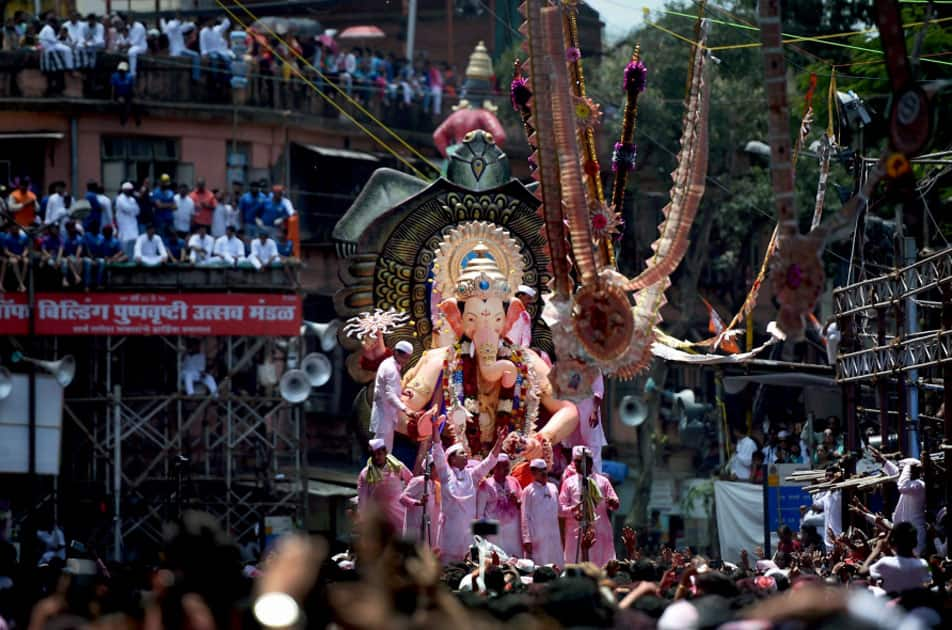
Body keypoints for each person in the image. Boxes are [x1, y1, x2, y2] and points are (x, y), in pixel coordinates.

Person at [431, 424, 504, 563]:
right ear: (452, 459)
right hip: (449, 532)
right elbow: (437, 451)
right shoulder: (446, 474)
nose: (466, 455)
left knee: (468, 563)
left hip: (467, 533)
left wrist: (499, 441)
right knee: (448, 569)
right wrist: (435, 428)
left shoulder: (472, 476)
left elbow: (490, 461)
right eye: (462, 453)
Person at [559, 446, 619, 568]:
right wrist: (573, 511)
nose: (576, 464)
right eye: (575, 461)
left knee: (602, 568)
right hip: (577, 533)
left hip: (600, 532)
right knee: (576, 568)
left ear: (590, 463)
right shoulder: (569, 482)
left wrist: (612, 502)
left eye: (580, 461)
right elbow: (560, 509)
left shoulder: (603, 481)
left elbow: (615, 503)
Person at [876, 450, 927, 555]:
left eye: (906, 471)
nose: (904, 473)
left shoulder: (919, 485)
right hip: (907, 532)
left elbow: (901, 486)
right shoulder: (910, 484)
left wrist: (907, 466)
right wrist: (884, 461)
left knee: (916, 561)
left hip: (916, 531)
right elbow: (897, 475)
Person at [370, 340, 417, 453]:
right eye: (405, 358)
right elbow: (390, 395)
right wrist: (406, 409)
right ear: (396, 353)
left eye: (408, 358)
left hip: (387, 414)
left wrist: (403, 392)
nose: (406, 361)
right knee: (380, 451)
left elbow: (391, 387)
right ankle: (373, 471)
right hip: (384, 415)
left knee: (385, 450)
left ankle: (380, 470)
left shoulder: (391, 364)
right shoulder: (390, 368)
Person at [358, 438, 413, 534]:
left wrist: (409, 500)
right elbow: (362, 498)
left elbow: (411, 481)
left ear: (385, 453)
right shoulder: (366, 473)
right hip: (377, 514)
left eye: (379, 454)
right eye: (373, 454)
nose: (376, 457)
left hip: (398, 512)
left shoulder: (398, 467)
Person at [862, 522, 931, 594]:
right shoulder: (924, 564)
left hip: (892, 603)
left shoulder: (885, 563)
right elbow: (929, 577)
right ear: (915, 542)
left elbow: (862, 571)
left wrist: (877, 549)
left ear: (893, 542)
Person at [476, 453, 522, 557]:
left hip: (513, 531)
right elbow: (480, 514)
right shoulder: (485, 485)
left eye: (507, 465)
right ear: (494, 467)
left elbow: (522, 505)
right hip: (495, 533)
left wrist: (517, 501)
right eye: (503, 465)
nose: (506, 468)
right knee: (499, 559)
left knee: (516, 559)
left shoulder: (514, 481)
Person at [521, 458, 562, 567]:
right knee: (539, 566)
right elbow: (525, 516)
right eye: (540, 470)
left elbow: (560, 510)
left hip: (553, 535)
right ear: (533, 472)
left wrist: (574, 509)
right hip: (537, 536)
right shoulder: (528, 491)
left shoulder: (553, 488)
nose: (544, 473)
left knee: (555, 564)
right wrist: (526, 539)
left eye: (545, 469)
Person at [399, 446, 440, 545]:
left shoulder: (437, 485)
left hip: (429, 530)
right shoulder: (419, 481)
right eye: (437, 467)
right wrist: (418, 503)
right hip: (415, 528)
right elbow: (402, 498)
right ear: (429, 468)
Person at [810, 465, 844, 553]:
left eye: (831, 476)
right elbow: (815, 505)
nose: (828, 478)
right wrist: (816, 486)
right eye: (826, 476)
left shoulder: (841, 493)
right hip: (828, 539)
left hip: (839, 536)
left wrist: (834, 481)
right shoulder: (827, 494)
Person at [160, 14, 199, 81]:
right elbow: (174, 25)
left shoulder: (171, 28)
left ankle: (195, 77)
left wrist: (193, 23)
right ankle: (195, 77)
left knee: (196, 55)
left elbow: (187, 26)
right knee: (196, 55)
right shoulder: (171, 25)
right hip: (179, 51)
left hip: (177, 51)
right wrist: (177, 18)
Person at [0, 222, 30, 292]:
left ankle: (21, 284)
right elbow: (6, 251)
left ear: (19, 228)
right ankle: (21, 284)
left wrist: (23, 254)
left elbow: (26, 249)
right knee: (14, 262)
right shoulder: (7, 237)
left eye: (16, 228)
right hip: (12, 255)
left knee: (26, 261)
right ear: (11, 229)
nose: (15, 229)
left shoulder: (24, 237)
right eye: (13, 228)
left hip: (21, 255)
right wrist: (15, 255)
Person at [115, 181, 140, 258]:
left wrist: (132, 209)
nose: (131, 191)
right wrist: (132, 209)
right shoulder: (120, 198)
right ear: (124, 190)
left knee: (134, 243)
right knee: (125, 244)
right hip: (124, 225)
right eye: (129, 190)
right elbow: (127, 208)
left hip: (133, 224)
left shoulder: (132, 199)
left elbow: (138, 210)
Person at [110, 61, 140, 126]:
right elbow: (113, 88)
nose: (121, 72)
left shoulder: (129, 77)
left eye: (123, 71)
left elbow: (133, 88)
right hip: (118, 94)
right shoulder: (115, 76)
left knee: (135, 104)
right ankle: (122, 121)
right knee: (122, 103)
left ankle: (137, 121)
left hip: (128, 94)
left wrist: (136, 96)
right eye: (120, 70)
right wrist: (112, 98)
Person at [60, 222, 85, 286]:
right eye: (69, 228)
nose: (71, 229)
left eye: (72, 227)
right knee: (66, 260)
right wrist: (59, 257)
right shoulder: (65, 238)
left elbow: (79, 249)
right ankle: (68, 278)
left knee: (81, 261)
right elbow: (62, 249)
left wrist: (77, 258)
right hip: (67, 257)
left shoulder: (79, 238)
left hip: (75, 257)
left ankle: (77, 278)